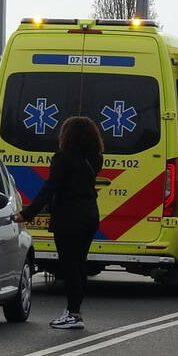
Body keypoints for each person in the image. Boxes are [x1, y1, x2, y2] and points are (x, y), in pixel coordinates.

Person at [13, 116, 103, 329]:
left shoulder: (62, 158)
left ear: (67, 135)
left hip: (69, 216)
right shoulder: (96, 158)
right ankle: (75, 310)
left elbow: (50, 187)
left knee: (70, 265)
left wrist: (27, 214)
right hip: (90, 214)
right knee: (80, 264)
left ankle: (73, 314)